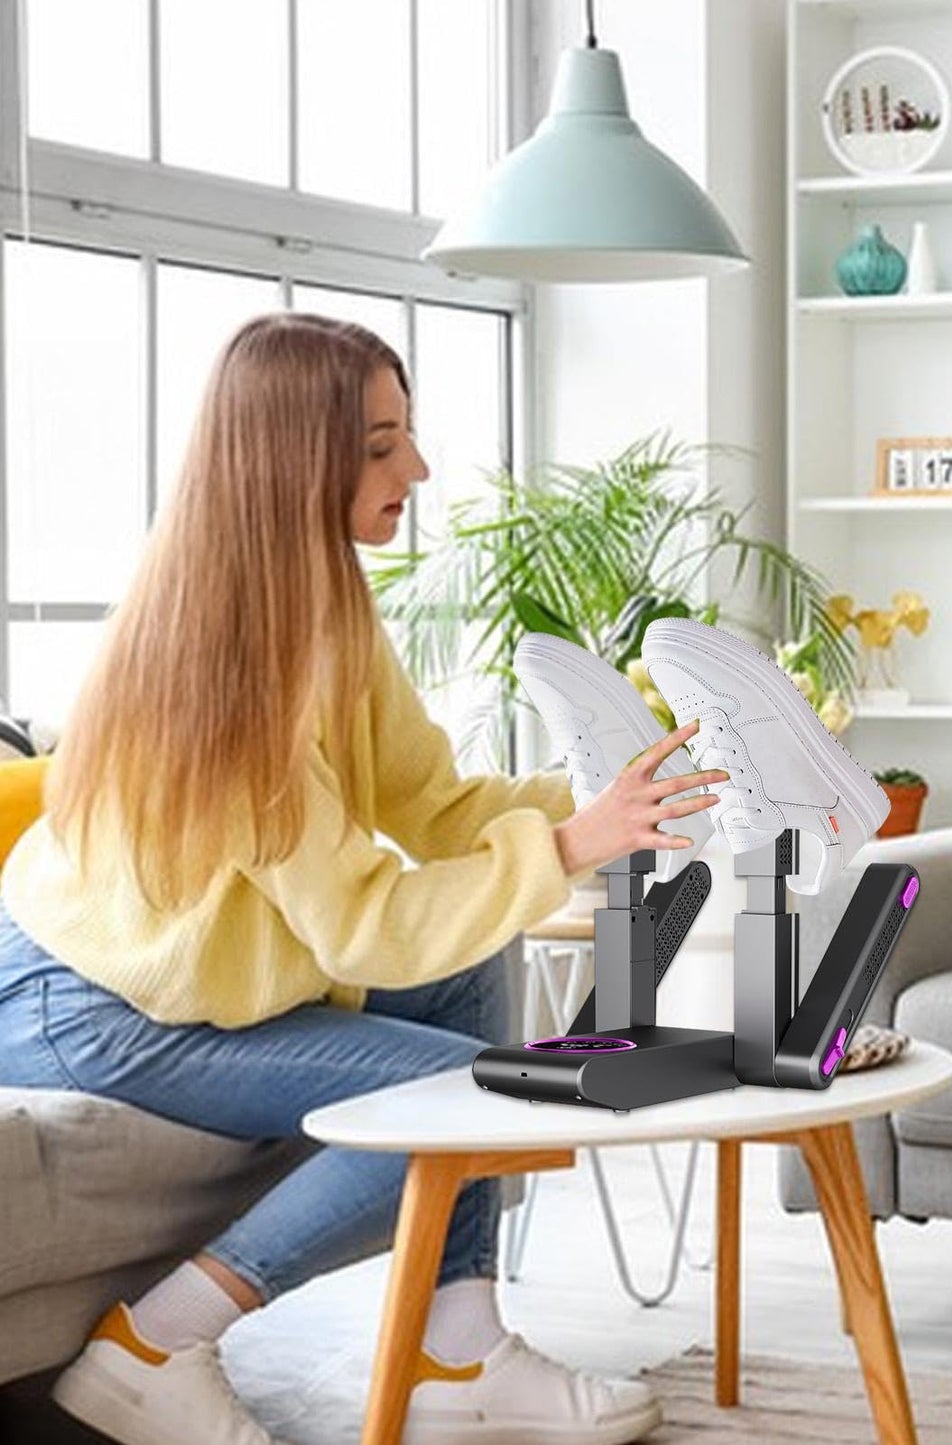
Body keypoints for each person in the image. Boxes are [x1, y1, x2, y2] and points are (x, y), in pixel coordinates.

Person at [0, 313, 728, 1445]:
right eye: (383, 445)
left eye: (409, 435)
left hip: (179, 984)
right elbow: (360, 929)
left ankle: (458, 1345)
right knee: (482, 1088)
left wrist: (588, 805)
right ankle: (155, 1343)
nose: (418, 471)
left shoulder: (326, 600)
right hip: (84, 1006)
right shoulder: (232, 673)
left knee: (479, 942)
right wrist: (575, 847)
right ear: (297, 459)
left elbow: (429, 807)